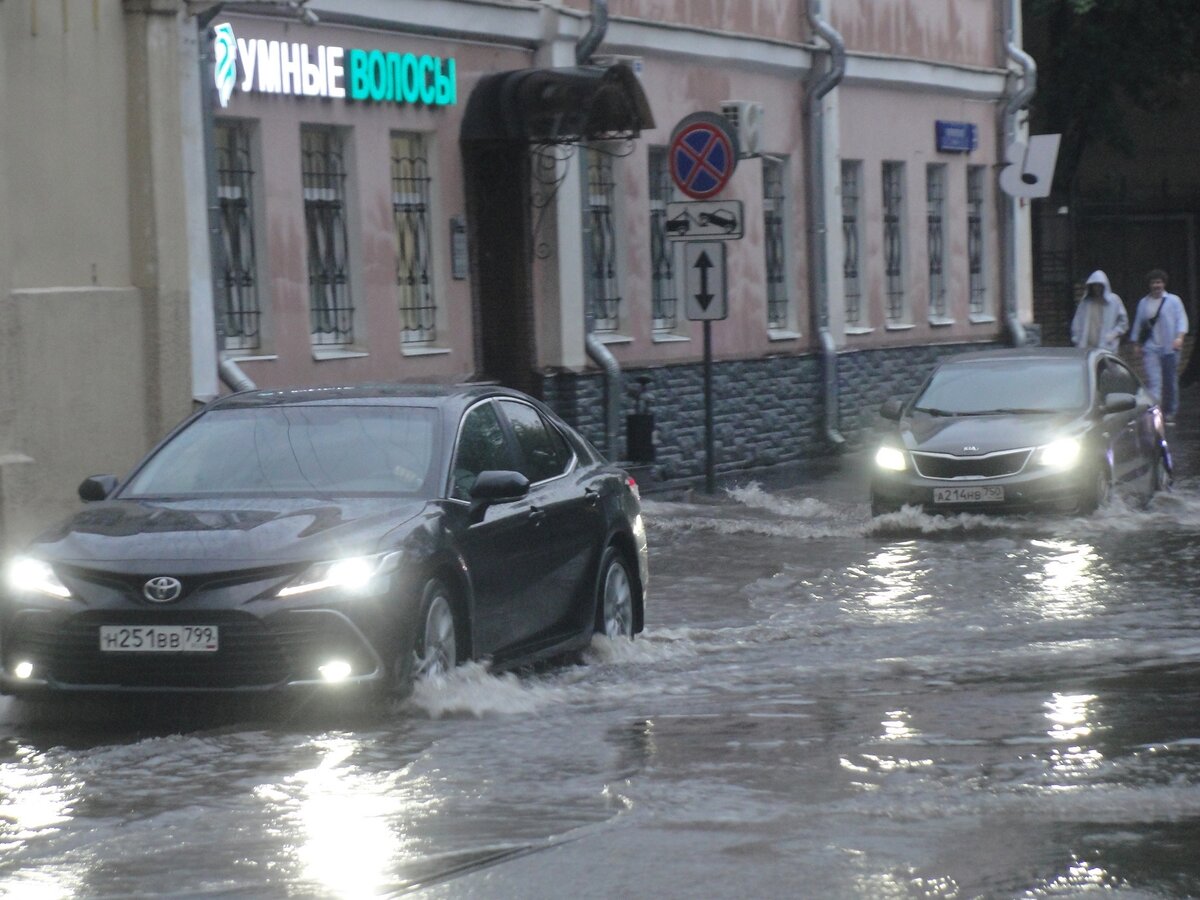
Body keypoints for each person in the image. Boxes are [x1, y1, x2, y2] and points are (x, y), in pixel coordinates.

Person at [1131, 268, 1189, 423]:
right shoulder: (1144, 303)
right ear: (1149, 285)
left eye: (1159, 282)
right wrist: (1136, 343)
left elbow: (1181, 320)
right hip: (1151, 348)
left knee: (1170, 382)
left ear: (1164, 284)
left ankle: (1170, 411)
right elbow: (1138, 323)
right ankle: (1156, 413)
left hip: (1170, 348)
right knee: (1154, 381)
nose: (1156, 285)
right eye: (1153, 282)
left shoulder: (1173, 301)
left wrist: (1180, 337)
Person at [1070, 270, 1128, 351]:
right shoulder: (1085, 302)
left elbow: (1123, 322)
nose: (1097, 288)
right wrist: (1076, 339)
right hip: (1086, 347)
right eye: (1095, 285)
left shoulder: (1114, 301)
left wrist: (1114, 334)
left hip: (1107, 347)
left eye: (1099, 285)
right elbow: (1077, 322)